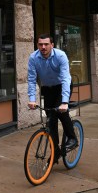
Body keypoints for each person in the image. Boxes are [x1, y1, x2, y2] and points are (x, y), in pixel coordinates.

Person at [27, 33, 77, 161]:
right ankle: (55, 152)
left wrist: (65, 102)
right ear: (37, 45)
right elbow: (32, 80)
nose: (43, 47)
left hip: (62, 86)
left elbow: (66, 78)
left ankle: (72, 138)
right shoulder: (33, 58)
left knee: (60, 111)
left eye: (46, 44)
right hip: (48, 89)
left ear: (52, 45)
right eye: (40, 44)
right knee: (50, 122)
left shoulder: (60, 56)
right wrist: (32, 99)